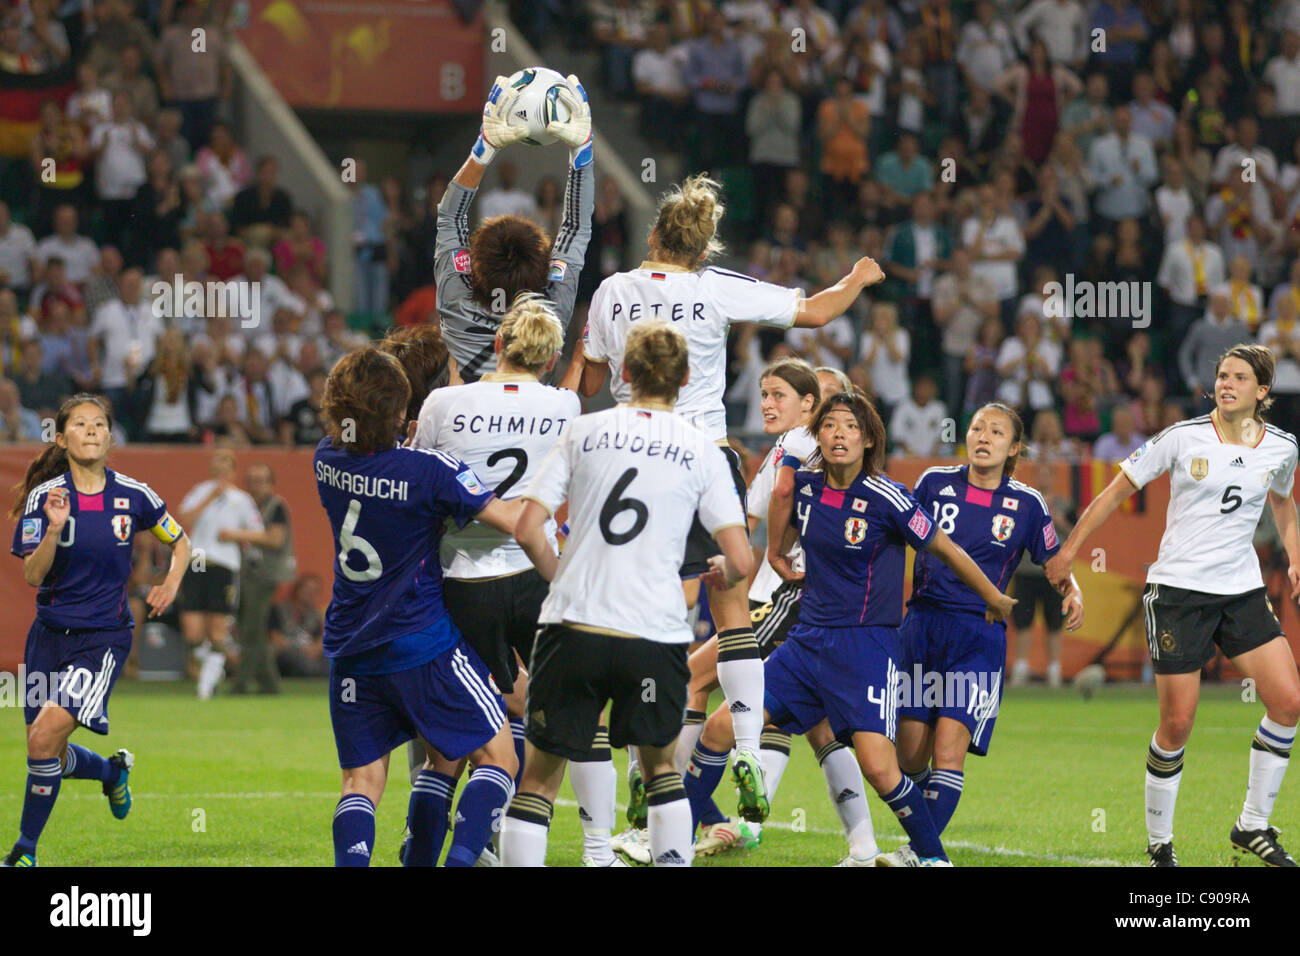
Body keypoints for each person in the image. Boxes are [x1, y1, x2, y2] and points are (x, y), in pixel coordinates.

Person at [577, 173, 886, 825]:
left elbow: (589, 382)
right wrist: (858, 275)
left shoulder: (611, 292)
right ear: (701, 249)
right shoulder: (716, 288)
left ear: (655, 234)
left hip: (629, 457)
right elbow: (819, 311)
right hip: (703, 456)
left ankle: (641, 767)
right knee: (731, 613)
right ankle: (747, 747)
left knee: (641, 618)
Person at [683, 391, 1016, 866]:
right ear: (818, 435)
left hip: (866, 647)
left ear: (868, 438)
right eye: (830, 426)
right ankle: (681, 837)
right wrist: (776, 551)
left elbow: (945, 548)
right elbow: (781, 495)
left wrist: (993, 596)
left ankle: (934, 858)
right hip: (806, 642)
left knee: (881, 769)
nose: (839, 434)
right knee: (719, 730)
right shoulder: (805, 486)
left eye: (850, 427)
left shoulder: (888, 496)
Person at [501, 321, 753, 867]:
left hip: (574, 625)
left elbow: (526, 528)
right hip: (654, 633)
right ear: (685, 379)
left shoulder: (583, 430)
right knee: (662, 772)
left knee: (538, 781)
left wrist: (561, 574)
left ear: (624, 373)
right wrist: (716, 572)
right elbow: (740, 560)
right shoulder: (702, 450)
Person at [1046, 344, 1300, 867]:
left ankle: (1252, 825)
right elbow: (1116, 491)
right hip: (1179, 593)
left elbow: (1282, 498)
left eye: (1238, 377)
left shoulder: (1281, 446)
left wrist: (1295, 558)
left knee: (1289, 703)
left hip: (1242, 591)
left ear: (1263, 390)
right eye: (1221, 375)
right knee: (1178, 724)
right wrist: (1069, 550)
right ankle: (1160, 843)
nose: (1226, 384)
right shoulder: (1180, 438)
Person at [315, 346, 520, 867]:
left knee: (361, 782)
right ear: (402, 414)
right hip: (422, 643)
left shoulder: (326, 460)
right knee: (499, 757)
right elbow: (511, 520)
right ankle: (462, 860)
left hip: (350, 650)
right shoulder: (429, 470)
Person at [689, 359, 881, 866]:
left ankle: (682, 817)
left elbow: (776, 505)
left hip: (786, 597)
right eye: (766, 394)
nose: (832, 428)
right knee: (816, 726)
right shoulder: (782, 449)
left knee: (694, 683)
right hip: (775, 594)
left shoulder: (802, 446)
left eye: (784, 395)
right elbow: (748, 517)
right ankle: (861, 846)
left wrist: (773, 555)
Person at [409, 294, 579, 862]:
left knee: (449, 739)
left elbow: (418, 483)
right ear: (550, 358)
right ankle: (540, 840)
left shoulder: (442, 402)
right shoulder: (567, 406)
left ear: (499, 345)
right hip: (536, 572)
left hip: (461, 578)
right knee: (546, 709)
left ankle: (430, 851)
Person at [875, 403, 1083, 866]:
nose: (983, 436)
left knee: (950, 750)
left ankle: (920, 855)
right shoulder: (933, 483)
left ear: (1013, 448)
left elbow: (1054, 561)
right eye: (975, 428)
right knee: (909, 756)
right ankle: (924, 844)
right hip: (922, 628)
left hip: (977, 636)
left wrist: (1074, 591)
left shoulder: (1028, 503)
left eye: (995, 431)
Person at [3, 394, 190, 867]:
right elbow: (31, 576)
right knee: (49, 751)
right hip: (47, 636)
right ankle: (111, 772)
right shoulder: (45, 500)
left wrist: (169, 582)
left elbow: (181, 540)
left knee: (42, 741)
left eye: (99, 423)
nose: (91, 430)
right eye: (80, 424)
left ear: (109, 436)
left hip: (102, 639)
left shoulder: (134, 495)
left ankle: (24, 852)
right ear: (62, 439)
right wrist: (52, 530)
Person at [436, 73, 593, 381]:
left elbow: (449, 217)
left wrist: (485, 147)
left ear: (475, 264)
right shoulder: (549, 317)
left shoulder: (456, 301)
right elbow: (576, 227)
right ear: (544, 271)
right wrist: (582, 150)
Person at [176, 448, 264, 699]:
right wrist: (211, 497)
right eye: (217, 462)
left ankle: (206, 684)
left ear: (234, 470)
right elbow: (186, 517)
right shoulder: (201, 491)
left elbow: (259, 532)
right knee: (192, 629)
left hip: (225, 563)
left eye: (226, 464)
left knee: (217, 628)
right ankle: (215, 666)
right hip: (199, 559)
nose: (221, 468)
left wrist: (236, 535)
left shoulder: (242, 500)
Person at [225, 464, 294, 695]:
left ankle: (241, 683)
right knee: (249, 628)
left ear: (271, 484)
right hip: (247, 573)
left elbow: (275, 540)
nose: (256, 485)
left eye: (261, 480)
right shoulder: (243, 506)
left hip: (265, 575)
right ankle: (270, 684)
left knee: (252, 629)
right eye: (252, 480)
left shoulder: (277, 507)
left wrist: (237, 535)